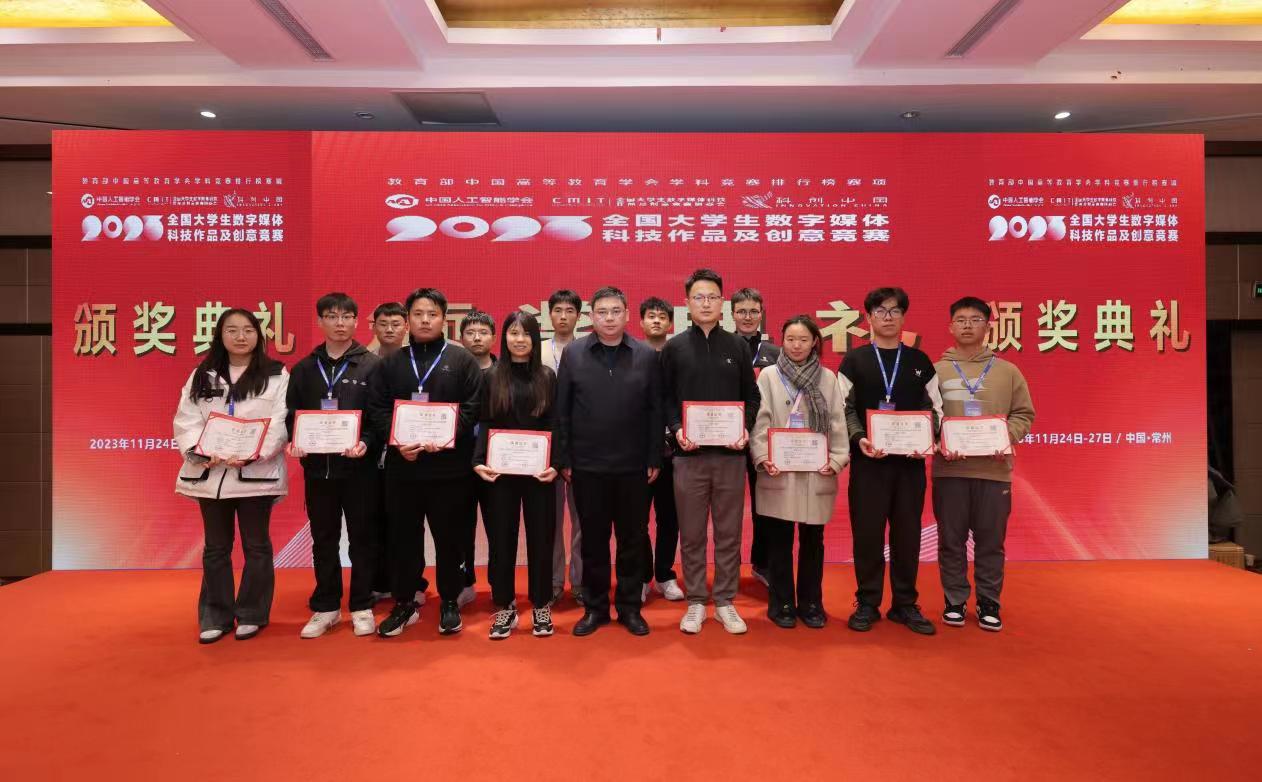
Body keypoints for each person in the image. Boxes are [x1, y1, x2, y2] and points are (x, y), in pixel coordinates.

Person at [368, 288, 482, 637]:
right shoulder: (391, 363)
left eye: (432, 314)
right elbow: (377, 408)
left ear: (444, 318)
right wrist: (397, 441)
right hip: (404, 467)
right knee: (403, 538)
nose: (425, 320)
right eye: (417, 314)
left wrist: (445, 438)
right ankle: (405, 602)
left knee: (450, 538)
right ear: (408, 320)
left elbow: (473, 407)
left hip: (450, 469)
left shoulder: (462, 360)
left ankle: (449, 600)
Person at [173, 309, 289, 644]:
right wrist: (200, 450)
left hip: (255, 473)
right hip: (211, 474)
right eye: (232, 330)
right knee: (215, 548)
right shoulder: (202, 374)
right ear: (220, 335)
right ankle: (215, 615)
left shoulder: (276, 374)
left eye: (248, 330)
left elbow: (280, 420)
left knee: (257, 546)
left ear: (258, 335)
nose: (240, 337)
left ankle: (252, 613)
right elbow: (187, 418)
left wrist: (255, 452)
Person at [554, 286, 663, 636]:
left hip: (634, 467)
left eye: (616, 311)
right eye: (602, 312)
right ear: (591, 317)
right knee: (593, 542)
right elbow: (562, 410)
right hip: (588, 467)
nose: (610, 318)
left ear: (627, 314)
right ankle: (596, 608)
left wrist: (654, 456)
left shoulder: (646, 355)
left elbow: (655, 410)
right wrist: (564, 458)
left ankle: (630, 608)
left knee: (633, 540)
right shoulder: (574, 353)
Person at [661, 269, 760, 635]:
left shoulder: (737, 346)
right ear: (687, 303)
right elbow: (664, 398)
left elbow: (752, 397)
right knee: (691, 533)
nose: (706, 303)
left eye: (713, 297)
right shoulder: (674, 348)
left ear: (723, 303)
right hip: (688, 456)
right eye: (699, 297)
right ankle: (696, 601)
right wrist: (677, 428)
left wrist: (744, 428)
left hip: (730, 456)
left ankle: (725, 602)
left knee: (729, 532)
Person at [840, 287, 943, 636]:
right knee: (867, 535)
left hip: (909, 466)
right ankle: (867, 602)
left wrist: (926, 439)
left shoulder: (920, 362)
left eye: (895, 311)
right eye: (881, 311)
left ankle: (904, 604)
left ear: (903, 317)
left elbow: (935, 408)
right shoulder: (854, 361)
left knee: (907, 535)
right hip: (869, 463)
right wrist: (859, 438)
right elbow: (844, 409)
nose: (888, 317)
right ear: (869, 317)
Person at [933, 297, 1035, 632]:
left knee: (991, 541)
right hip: (950, 471)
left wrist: (1005, 437)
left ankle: (989, 601)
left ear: (988, 326)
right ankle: (955, 600)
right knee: (951, 540)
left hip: (994, 471)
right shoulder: (935, 370)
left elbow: (1024, 414)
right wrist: (939, 441)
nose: (967, 325)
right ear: (950, 327)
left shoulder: (1008, 371)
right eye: (960, 319)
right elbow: (927, 416)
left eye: (975, 319)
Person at [285, 293, 381, 639]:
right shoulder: (304, 369)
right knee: (323, 539)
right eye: (331, 316)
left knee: (362, 538)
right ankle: (326, 606)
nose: (339, 323)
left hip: (359, 470)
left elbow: (378, 416)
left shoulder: (372, 366)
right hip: (318, 471)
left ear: (356, 321)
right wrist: (294, 440)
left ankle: (361, 604)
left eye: (346, 317)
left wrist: (366, 442)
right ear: (320, 321)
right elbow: (291, 414)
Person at [749, 316, 850, 629]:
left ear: (814, 342)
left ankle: (811, 603)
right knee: (779, 541)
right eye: (790, 339)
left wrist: (837, 459)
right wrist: (763, 456)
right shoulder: (769, 375)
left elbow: (837, 421)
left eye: (803, 340)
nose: (796, 346)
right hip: (779, 470)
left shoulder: (827, 378)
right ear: (782, 340)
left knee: (813, 541)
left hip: (815, 471)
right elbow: (760, 420)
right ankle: (781, 603)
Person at [473, 311, 559, 639]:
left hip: (539, 473)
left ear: (535, 339)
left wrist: (556, 463)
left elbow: (555, 424)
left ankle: (541, 604)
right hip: (500, 473)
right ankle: (504, 605)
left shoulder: (547, 376)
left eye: (526, 333)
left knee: (541, 538)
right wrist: (478, 460)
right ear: (504, 338)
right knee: (501, 540)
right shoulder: (491, 377)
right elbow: (485, 422)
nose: (519, 339)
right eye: (513, 333)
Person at [731, 287, 781, 590]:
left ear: (761, 314)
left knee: (765, 504)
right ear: (732, 315)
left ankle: (762, 564)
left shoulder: (775, 353)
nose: (748, 317)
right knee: (728, 507)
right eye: (742, 311)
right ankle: (728, 567)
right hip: (729, 438)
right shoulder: (723, 347)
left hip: (763, 438)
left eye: (753, 311)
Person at [365, 301, 415, 601]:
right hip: (368, 454)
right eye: (383, 324)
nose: (389, 330)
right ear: (373, 326)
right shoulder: (363, 361)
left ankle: (409, 583)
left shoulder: (415, 361)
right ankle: (376, 581)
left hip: (407, 454)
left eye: (396, 324)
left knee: (404, 525)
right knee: (372, 521)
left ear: (406, 327)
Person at [637, 296, 685, 602]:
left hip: (675, 450)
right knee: (637, 520)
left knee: (670, 518)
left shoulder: (680, 355)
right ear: (641, 322)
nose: (656, 321)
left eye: (662, 317)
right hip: (639, 452)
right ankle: (643, 576)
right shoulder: (632, 356)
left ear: (670, 323)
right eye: (651, 316)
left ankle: (665, 575)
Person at [541, 289, 585, 605]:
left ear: (578, 316)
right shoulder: (538, 350)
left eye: (570, 311)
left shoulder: (587, 350)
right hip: (543, 447)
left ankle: (580, 582)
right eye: (558, 310)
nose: (563, 316)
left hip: (581, 448)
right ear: (550, 315)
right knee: (550, 521)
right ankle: (554, 581)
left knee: (583, 521)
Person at [459, 309, 498, 599]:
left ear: (494, 338)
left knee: (499, 525)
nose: (476, 338)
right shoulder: (452, 371)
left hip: (497, 460)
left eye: (483, 332)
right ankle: (465, 583)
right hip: (459, 459)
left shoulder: (505, 372)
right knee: (461, 525)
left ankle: (500, 584)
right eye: (470, 333)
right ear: (461, 338)